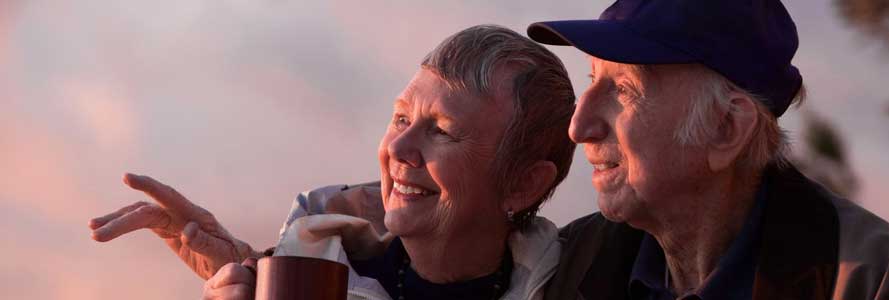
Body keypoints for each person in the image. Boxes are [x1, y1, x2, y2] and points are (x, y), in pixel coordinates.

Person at [88, 24, 577, 300]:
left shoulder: (587, 281)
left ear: (523, 184)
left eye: (442, 132)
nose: (399, 150)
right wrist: (251, 269)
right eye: (400, 117)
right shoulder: (304, 281)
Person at [525, 0, 889, 299]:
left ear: (726, 128)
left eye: (622, 88)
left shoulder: (870, 280)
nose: (579, 126)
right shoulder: (565, 262)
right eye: (591, 77)